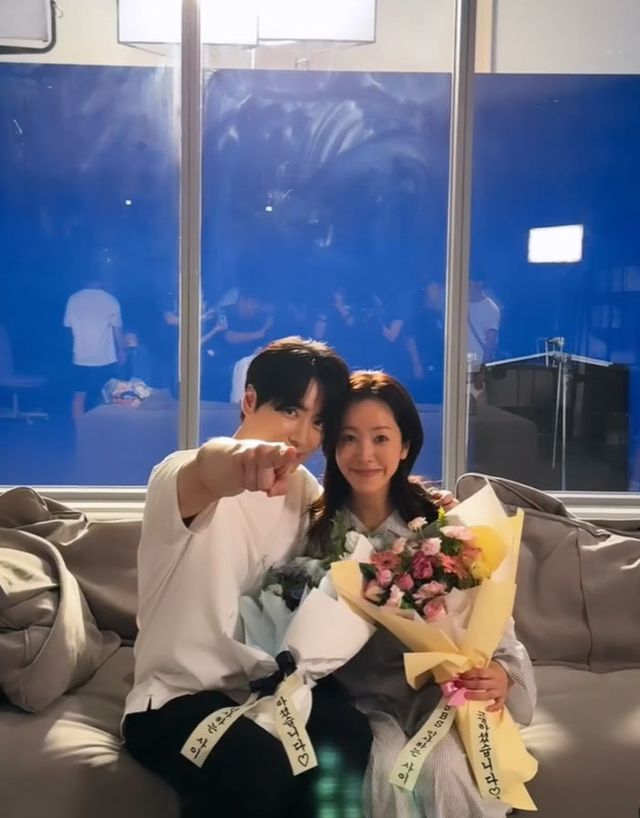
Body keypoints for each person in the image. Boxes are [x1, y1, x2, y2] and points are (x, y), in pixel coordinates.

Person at [122, 337, 373, 818]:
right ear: (250, 400)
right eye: (290, 411)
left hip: (271, 692)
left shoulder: (305, 491)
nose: (303, 435)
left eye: (319, 422)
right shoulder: (179, 475)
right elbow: (210, 466)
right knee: (259, 767)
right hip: (176, 700)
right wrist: (245, 459)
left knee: (347, 734)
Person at [305, 370, 536, 818]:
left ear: (405, 445)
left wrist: (503, 673)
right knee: (387, 766)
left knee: (445, 767)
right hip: (356, 703)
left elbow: (495, 627)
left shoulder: (445, 525)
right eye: (349, 438)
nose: (365, 454)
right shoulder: (313, 533)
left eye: (381, 438)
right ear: (331, 445)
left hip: (440, 697)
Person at [63, 278, 124, 419]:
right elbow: (117, 330)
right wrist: (121, 351)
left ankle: (80, 428)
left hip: (80, 356)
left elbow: (68, 326)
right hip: (105, 357)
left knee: (79, 394)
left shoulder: (73, 299)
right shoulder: (110, 300)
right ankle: (102, 427)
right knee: (106, 394)